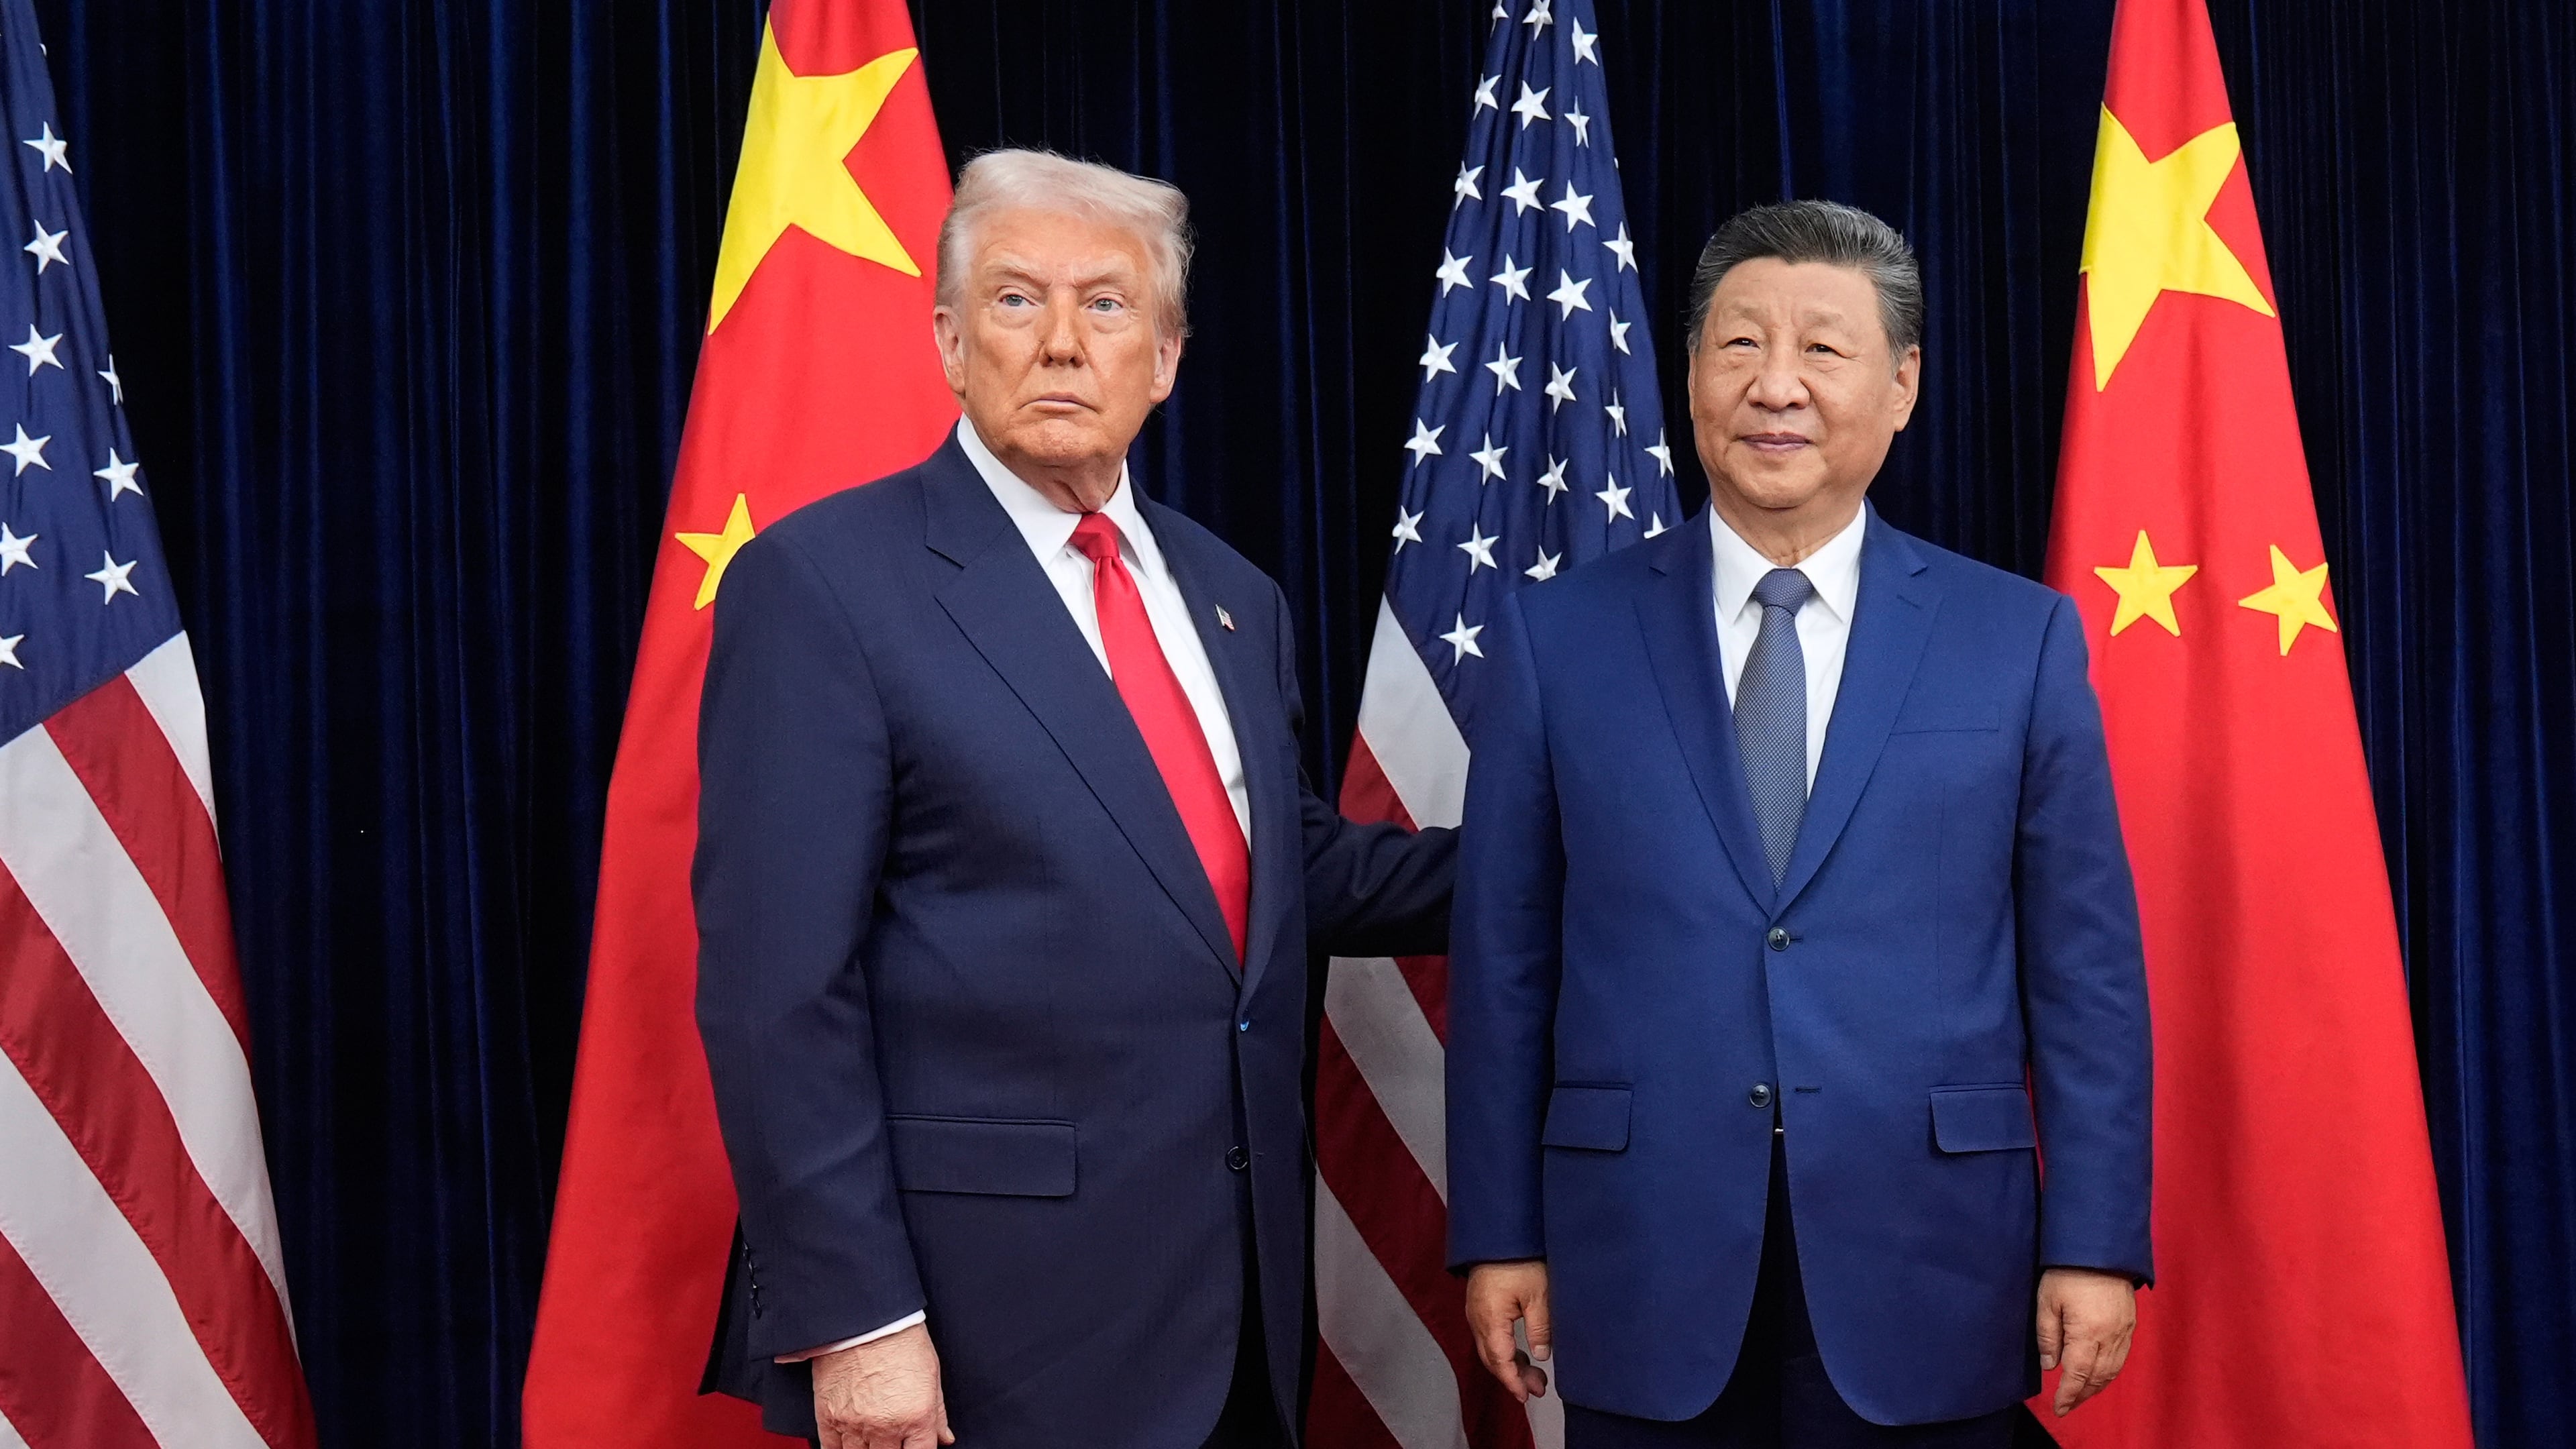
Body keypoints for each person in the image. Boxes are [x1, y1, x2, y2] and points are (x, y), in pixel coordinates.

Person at [694, 148, 1454, 1449]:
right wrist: (861, 1324)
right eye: (1012, 300)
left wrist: (1576, 847)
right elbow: (778, 996)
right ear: (946, 342)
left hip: (1232, 1322)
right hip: (977, 1337)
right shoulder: (822, 588)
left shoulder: (1234, 599)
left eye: (1105, 306)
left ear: (1161, 358)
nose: (1060, 343)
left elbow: (1278, 878)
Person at [1445, 200, 2153, 1449]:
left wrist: (2095, 1242)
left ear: (1902, 384)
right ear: (1691, 373)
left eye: (1823, 350)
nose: (1776, 386)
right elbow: (1507, 963)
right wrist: (1498, 1229)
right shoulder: (1561, 638)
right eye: (1738, 346)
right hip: (1644, 1258)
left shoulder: (2016, 641)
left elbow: (2086, 973)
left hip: (1929, 1259)